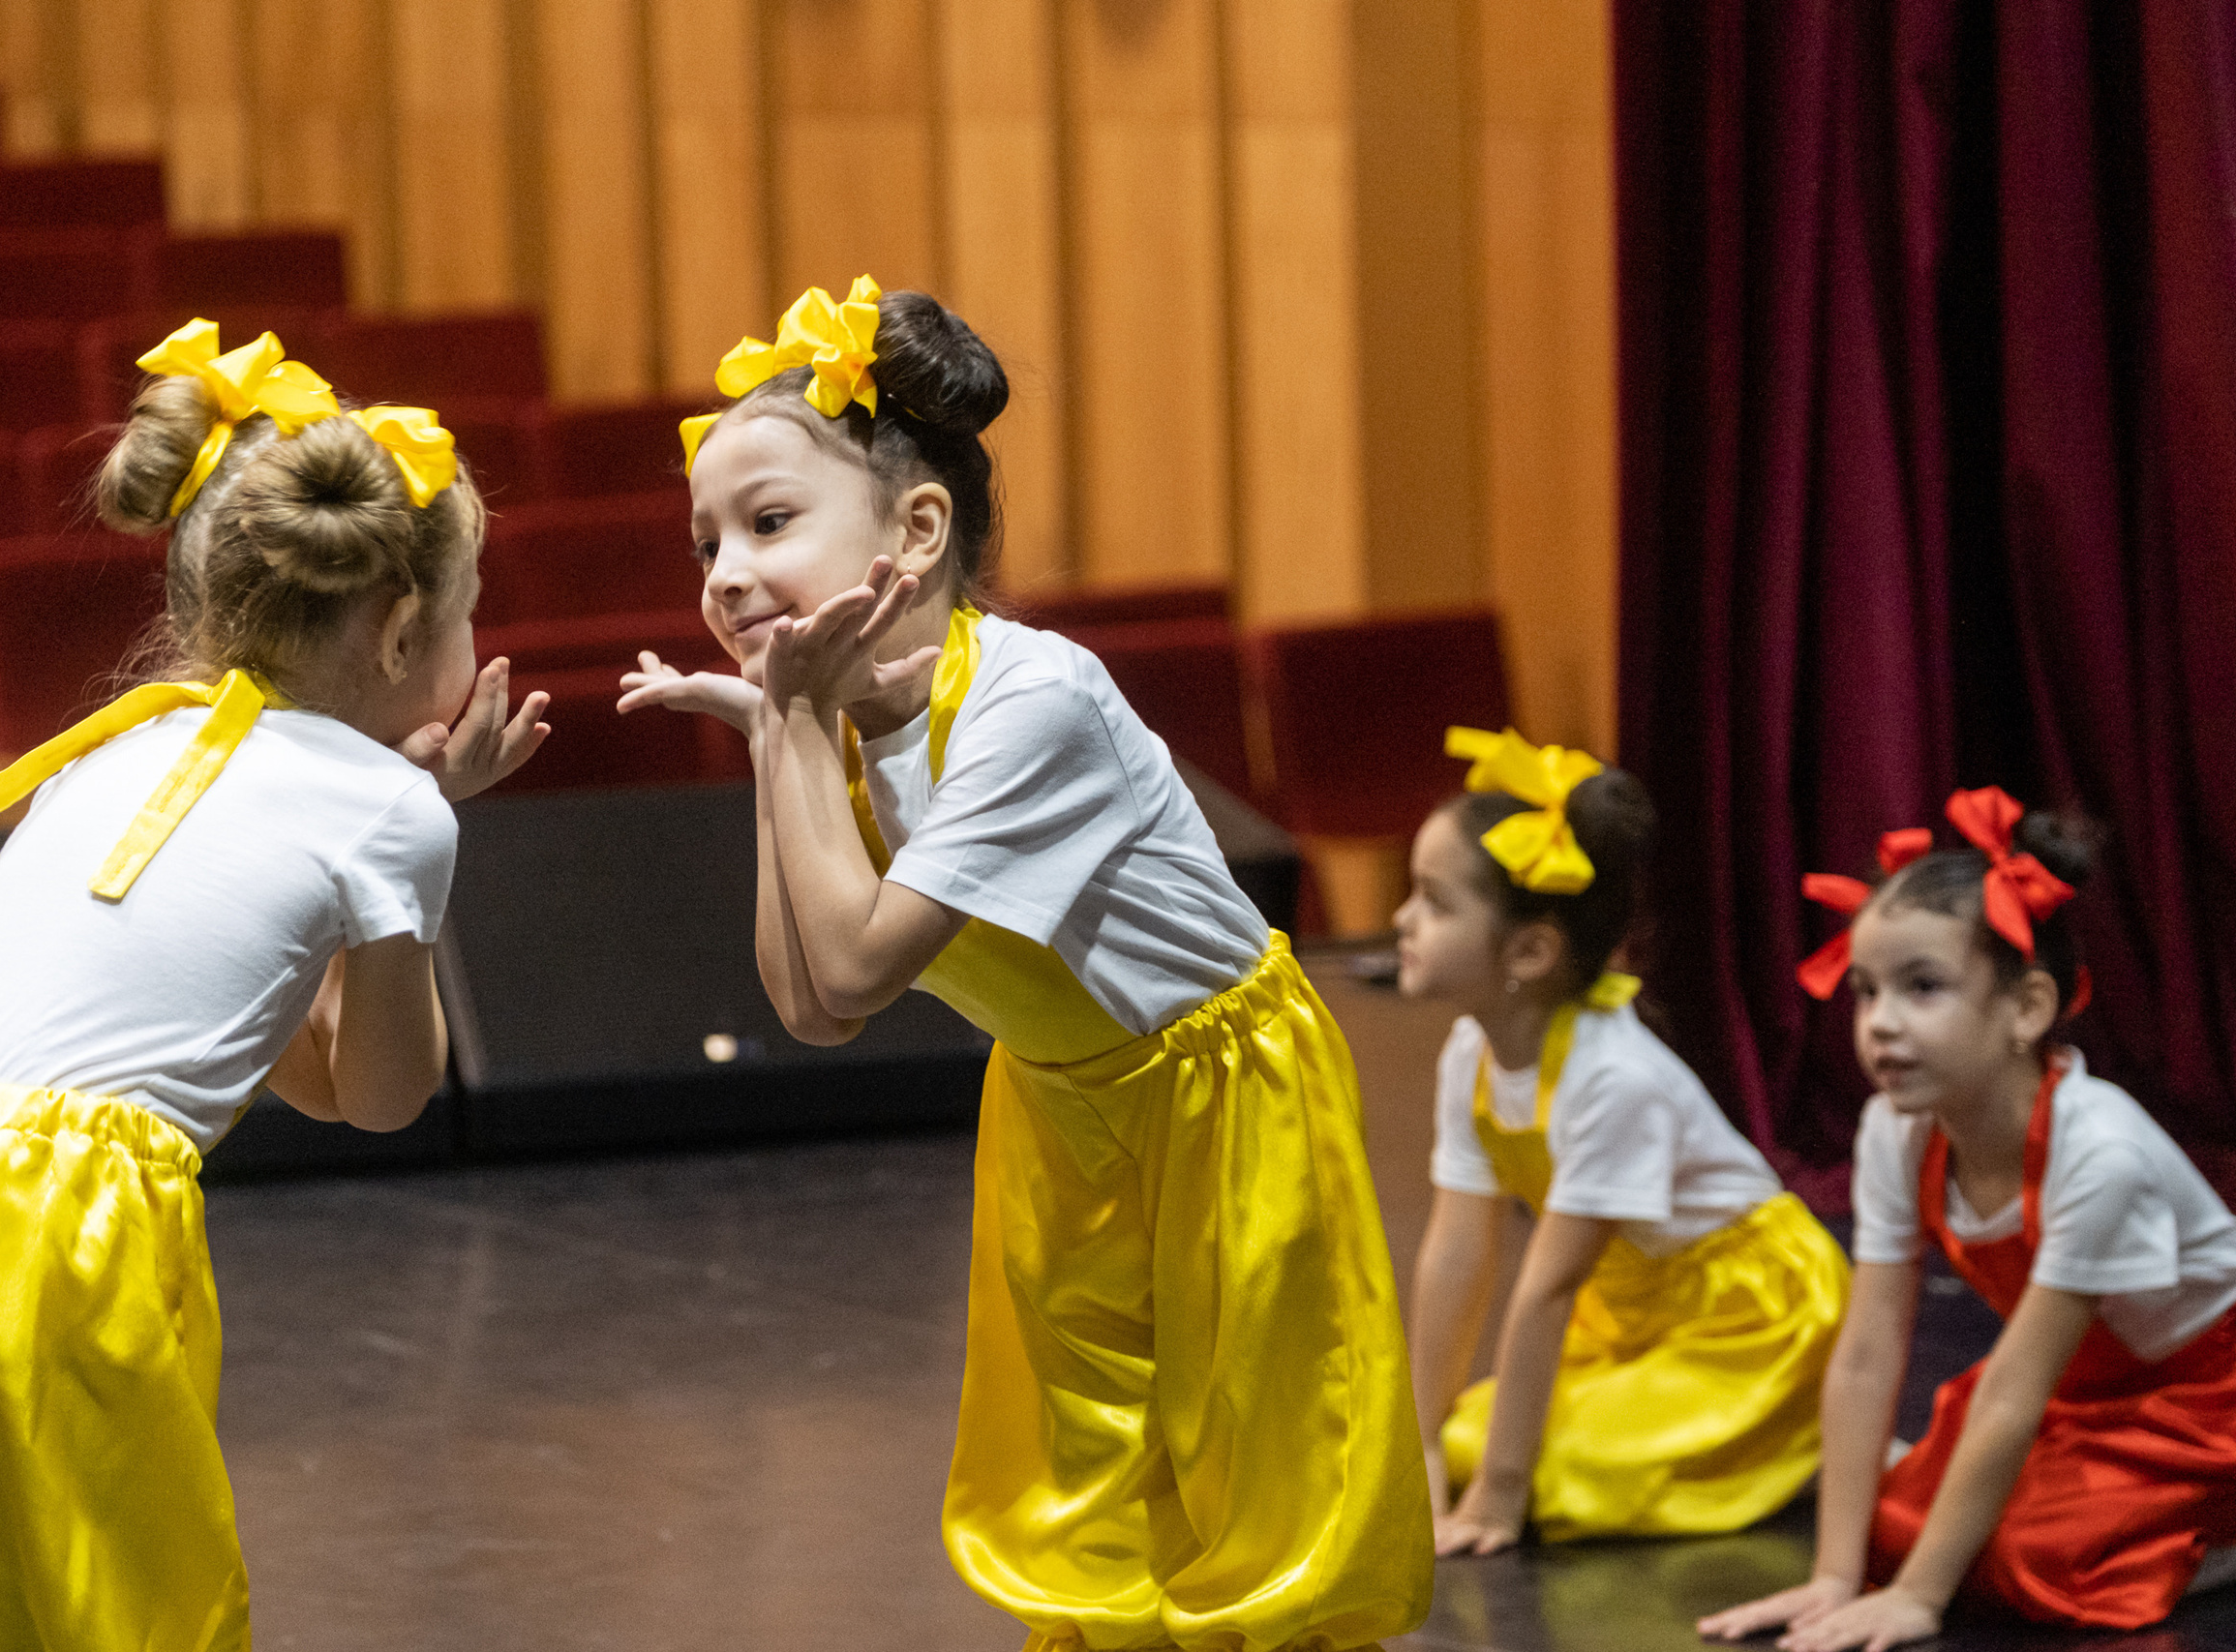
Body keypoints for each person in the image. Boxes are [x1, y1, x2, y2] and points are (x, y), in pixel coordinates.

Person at [619, 275, 1429, 1650]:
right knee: (1085, 1458)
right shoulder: (822, 713)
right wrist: (779, 740)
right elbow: (809, 1005)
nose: (726, 574)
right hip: (1060, 1098)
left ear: (918, 528)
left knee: (1254, 1452)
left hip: (1219, 1089)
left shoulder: (1030, 701)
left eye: (768, 523)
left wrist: (790, 727)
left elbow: (865, 964)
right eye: (706, 542)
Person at [0, 319, 549, 1650]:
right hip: (47, 1232)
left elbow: (269, 1052)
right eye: (471, 612)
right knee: (134, 1609)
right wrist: (427, 834)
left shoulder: (113, 751)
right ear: (405, 627)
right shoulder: (390, 808)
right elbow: (378, 1093)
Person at [1703, 787, 2236, 1649]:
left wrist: (1915, 1597)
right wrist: (1835, 1576)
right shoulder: (1897, 1129)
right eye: (1866, 990)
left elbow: (2013, 1388)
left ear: (2026, 1009)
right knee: (1889, 1522)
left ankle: (2212, 1534)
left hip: (2206, 1405)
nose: (1880, 1024)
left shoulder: (2098, 1152)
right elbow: (1870, 1347)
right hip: (2089, 1396)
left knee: (2031, 1557)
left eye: (1922, 988)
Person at [1398, 727, 1847, 1552]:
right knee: (1460, 1436)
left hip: (1745, 1324)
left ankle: (1804, 1430)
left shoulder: (1613, 1079)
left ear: (1531, 949)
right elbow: (1457, 1253)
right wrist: (1419, 1446)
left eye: (1434, 900)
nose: (1402, 918)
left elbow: (1545, 1291)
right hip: (1631, 1314)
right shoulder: (1472, 1050)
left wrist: (1498, 1499)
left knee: (1564, 1476)